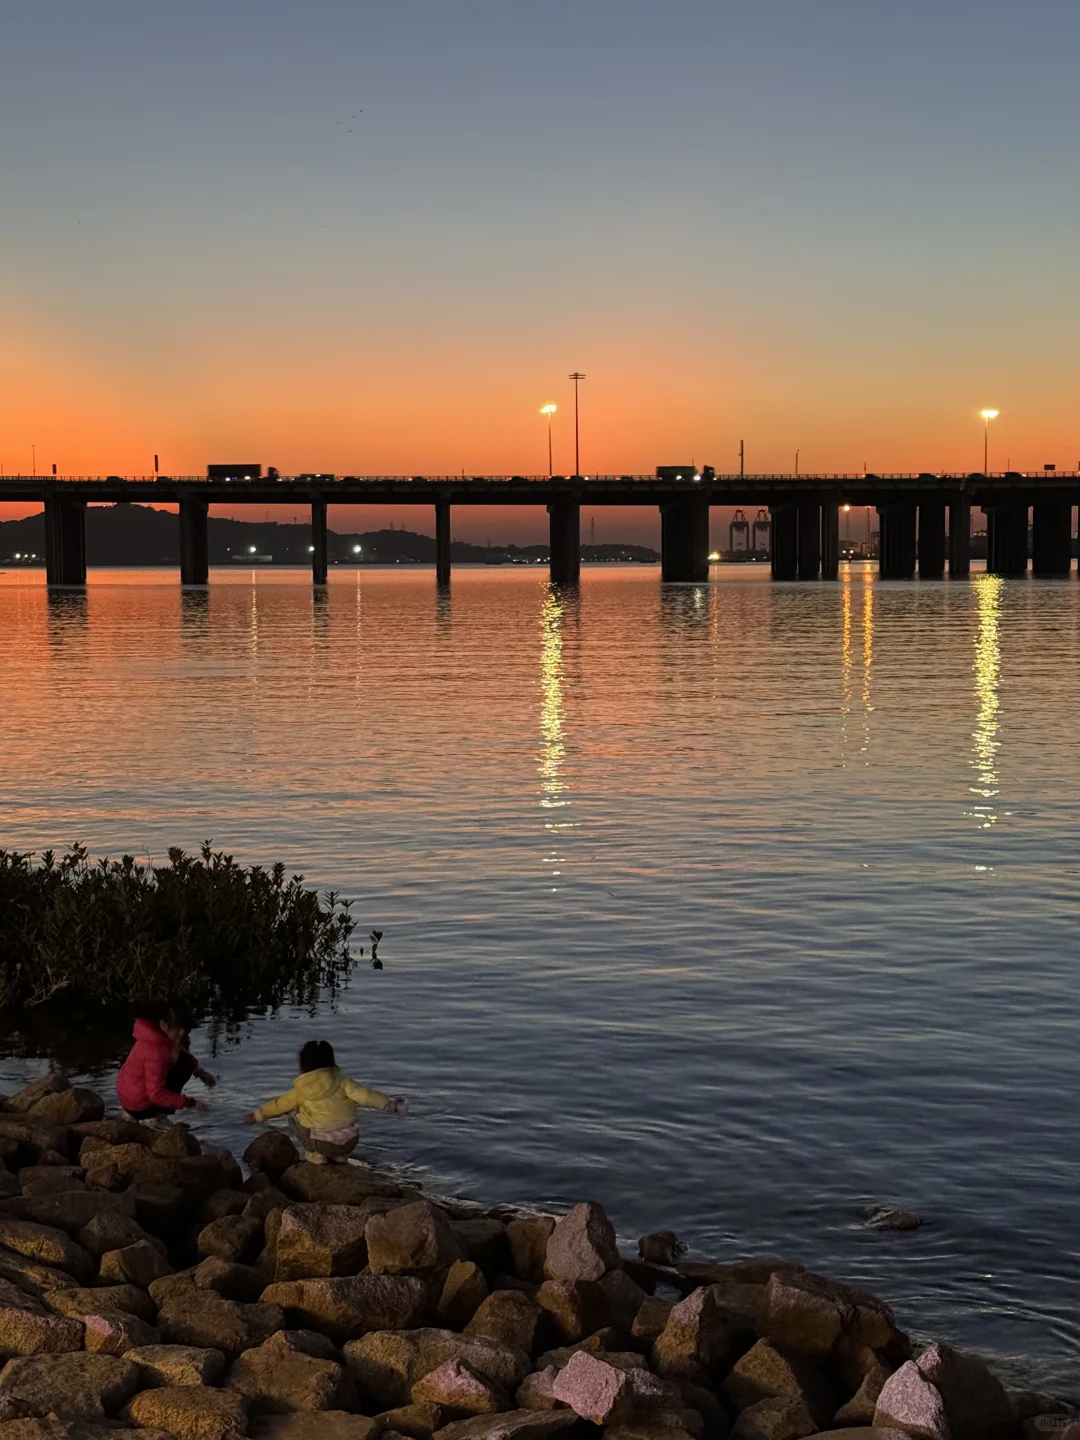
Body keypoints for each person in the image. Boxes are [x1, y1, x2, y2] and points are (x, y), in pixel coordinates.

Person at [244, 1039, 406, 1165]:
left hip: (320, 1143)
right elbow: (367, 1096)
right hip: (350, 1142)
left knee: (292, 1113)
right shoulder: (343, 1081)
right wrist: (391, 1105)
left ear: (304, 1063)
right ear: (331, 1060)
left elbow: (279, 1105)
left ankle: (316, 1155)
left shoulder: (301, 1089)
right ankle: (340, 1155)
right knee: (343, 1117)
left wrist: (259, 1115)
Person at [116, 1003, 216, 1123]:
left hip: (131, 1094)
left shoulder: (159, 1036)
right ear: (163, 1025)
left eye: (185, 1028)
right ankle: (150, 1117)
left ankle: (147, 1112)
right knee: (185, 1064)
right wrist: (190, 1103)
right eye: (177, 1028)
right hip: (138, 1105)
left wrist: (200, 1073)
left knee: (187, 1061)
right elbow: (156, 1094)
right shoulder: (156, 1053)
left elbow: (181, 1055)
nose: (183, 1032)